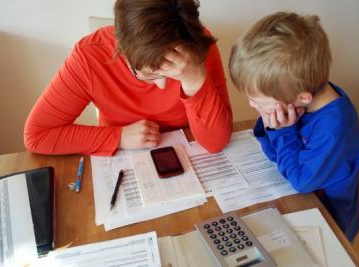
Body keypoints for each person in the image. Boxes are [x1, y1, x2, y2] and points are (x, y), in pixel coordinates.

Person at [24, 0, 233, 156]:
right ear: (121, 50)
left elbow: (216, 143)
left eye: (173, 72)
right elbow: (37, 136)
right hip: (123, 159)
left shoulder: (197, 45)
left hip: (188, 154)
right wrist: (117, 137)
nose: (162, 86)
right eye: (149, 75)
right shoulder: (90, 56)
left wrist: (194, 78)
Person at [229, 11, 359, 242]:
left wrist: (282, 131)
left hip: (331, 225)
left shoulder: (333, 128)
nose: (250, 104)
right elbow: (276, 156)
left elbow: (302, 181)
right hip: (302, 205)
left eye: (258, 101)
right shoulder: (300, 100)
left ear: (302, 97)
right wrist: (276, 129)